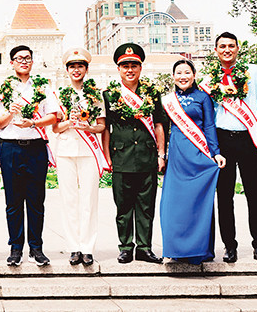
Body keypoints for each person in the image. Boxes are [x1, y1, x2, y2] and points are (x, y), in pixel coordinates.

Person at [208, 33, 257, 264]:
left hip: (248, 139)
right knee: (224, 196)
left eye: (231, 46)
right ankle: (229, 246)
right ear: (216, 50)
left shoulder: (252, 71)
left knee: (254, 194)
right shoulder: (210, 78)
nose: (227, 50)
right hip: (223, 139)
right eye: (222, 46)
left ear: (237, 48)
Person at [0, 45, 58, 267]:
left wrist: (33, 122)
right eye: (19, 58)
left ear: (32, 62)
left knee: (36, 201)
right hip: (11, 149)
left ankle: (36, 248)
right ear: (11, 62)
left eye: (27, 58)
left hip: (36, 148)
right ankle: (15, 248)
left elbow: (53, 117)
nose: (23, 61)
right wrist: (11, 113)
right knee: (13, 201)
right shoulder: (3, 89)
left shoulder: (42, 87)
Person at [102, 43, 165, 264]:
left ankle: (145, 247)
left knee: (146, 207)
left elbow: (158, 124)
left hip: (147, 157)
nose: (130, 70)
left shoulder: (152, 93)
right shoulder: (110, 95)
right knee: (123, 207)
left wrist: (161, 154)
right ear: (118, 69)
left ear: (140, 67)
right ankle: (126, 247)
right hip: (121, 158)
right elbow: (106, 128)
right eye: (125, 66)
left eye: (134, 65)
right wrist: (107, 157)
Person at [159, 59, 227, 264]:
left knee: (199, 203)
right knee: (174, 204)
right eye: (178, 72)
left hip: (199, 156)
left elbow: (209, 127)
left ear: (194, 75)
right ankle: (176, 249)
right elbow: (160, 127)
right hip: (178, 157)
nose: (183, 76)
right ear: (173, 76)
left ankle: (199, 250)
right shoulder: (167, 100)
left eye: (187, 72)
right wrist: (161, 155)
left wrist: (216, 153)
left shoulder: (203, 97)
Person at [51, 48, 107, 267]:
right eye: (72, 66)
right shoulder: (58, 94)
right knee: (69, 200)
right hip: (65, 151)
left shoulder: (96, 94)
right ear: (66, 70)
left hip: (89, 151)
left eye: (80, 66)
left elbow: (101, 126)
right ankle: (74, 247)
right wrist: (70, 122)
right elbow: (56, 127)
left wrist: (88, 127)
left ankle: (88, 248)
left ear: (86, 69)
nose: (76, 70)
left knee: (89, 200)